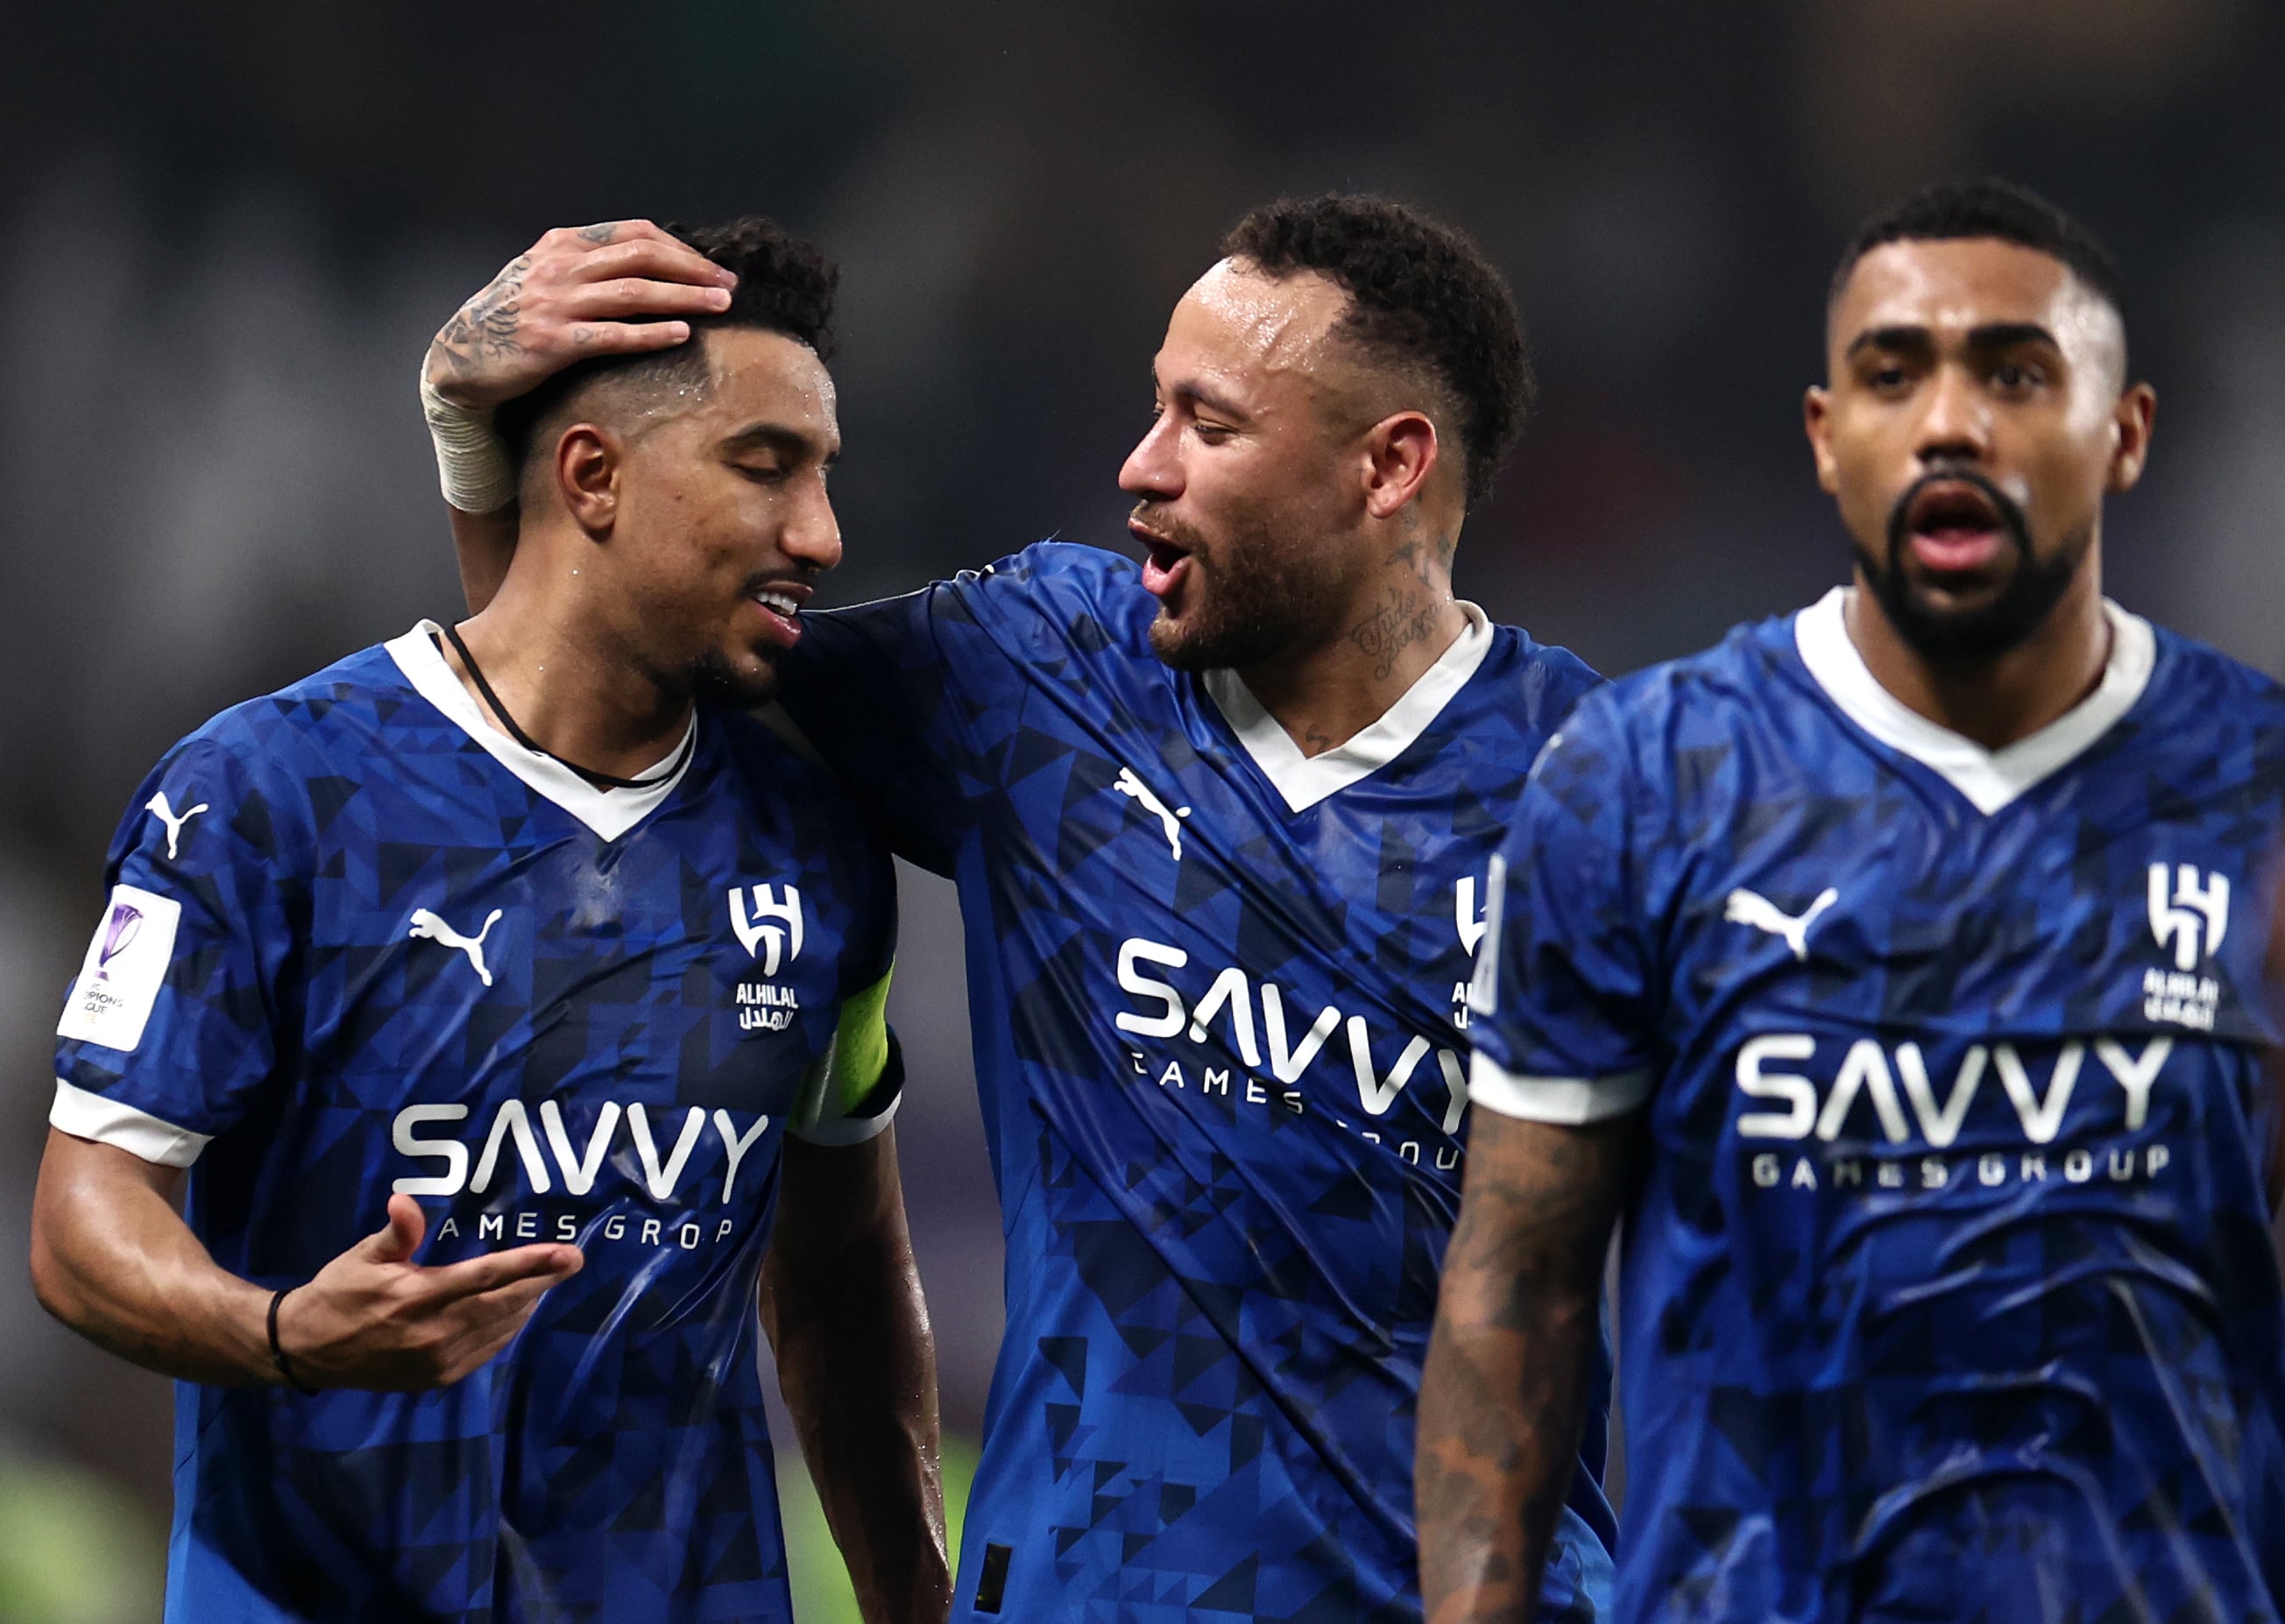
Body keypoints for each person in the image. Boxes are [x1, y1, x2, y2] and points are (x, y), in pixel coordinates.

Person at [428, 195, 1617, 1620]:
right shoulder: (1042, 671)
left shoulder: (1605, 796)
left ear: (1390, 467)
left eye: (1209, 424)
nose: (1142, 465)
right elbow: (588, 670)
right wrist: (468, 436)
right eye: (1151, 406)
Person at [32, 217, 948, 1624]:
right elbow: (85, 1215)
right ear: (590, 476)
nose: (820, 533)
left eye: (825, 474)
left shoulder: (815, 846)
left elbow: (839, 1271)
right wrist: (283, 1334)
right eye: (765, 466)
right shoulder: (271, 791)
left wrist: (911, 1594)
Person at [1418, 177, 2285, 1621]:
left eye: (2017, 370)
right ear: (1830, 440)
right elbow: (1518, 1288)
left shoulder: (2259, 791)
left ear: (2124, 433)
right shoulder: (1645, 779)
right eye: (1894, 373)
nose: (1951, 421)